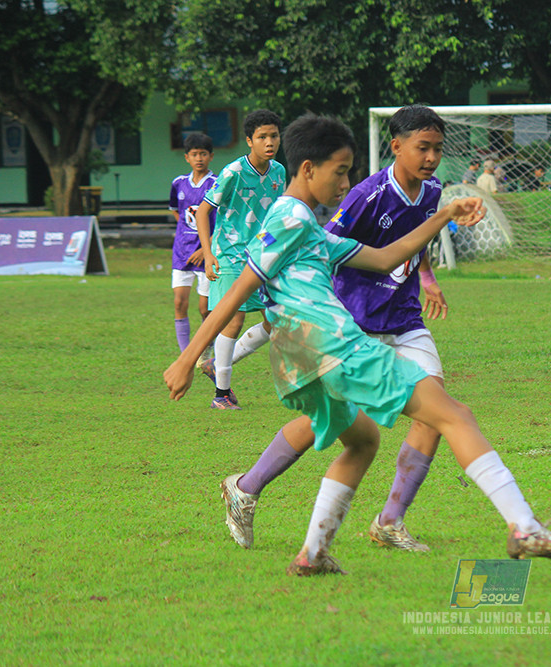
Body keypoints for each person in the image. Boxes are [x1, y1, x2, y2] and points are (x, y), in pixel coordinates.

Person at [163, 113, 551, 575]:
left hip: (297, 359)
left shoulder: (307, 224)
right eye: (340, 170)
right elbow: (241, 288)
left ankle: (312, 555)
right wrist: (188, 358)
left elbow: (387, 256)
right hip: (335, 345)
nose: (346, 181)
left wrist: (445, 214)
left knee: (363, 441)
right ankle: (524, 527)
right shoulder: (290, 216)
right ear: (308, 168)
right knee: (454, 414)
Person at [216, 105, 466, 554]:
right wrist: (304, 308)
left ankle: (389, 521)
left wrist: (427, 278)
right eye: (422, 148)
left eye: (437, 149)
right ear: (397, 146)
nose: (430, 158)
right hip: (352, 322)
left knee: (436, 410)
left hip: (405, 318)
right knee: (327, 423)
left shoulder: (432, 193)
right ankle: (247, 486)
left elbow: (415, 237)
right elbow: (320, 248)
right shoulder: (363, 194)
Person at [194, 109, 286, 409]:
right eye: (262, 137)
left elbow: (277, 213)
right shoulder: (233, 172)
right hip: (230, 255)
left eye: (273, 135)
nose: (269, 142)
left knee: (277, 321)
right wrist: (208, 255)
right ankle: (221, 395)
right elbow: (204, 212)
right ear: (250, 141)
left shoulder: (279, 172)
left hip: (265, 254)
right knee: (233, 321)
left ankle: (218, 364)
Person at [168, 132, 217, 353]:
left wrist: (204, 247)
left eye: (203, 154)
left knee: (205, 308)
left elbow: (224, 221)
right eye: (194, 154)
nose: (199, 158)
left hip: (206, 255)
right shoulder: (178, 183)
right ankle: (186, 354)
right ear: (186, 157)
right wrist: (184, 235)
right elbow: (176, 212)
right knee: (179, 302)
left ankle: (208, 350)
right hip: (181, 253)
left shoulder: (216, 184)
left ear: (211, 156)